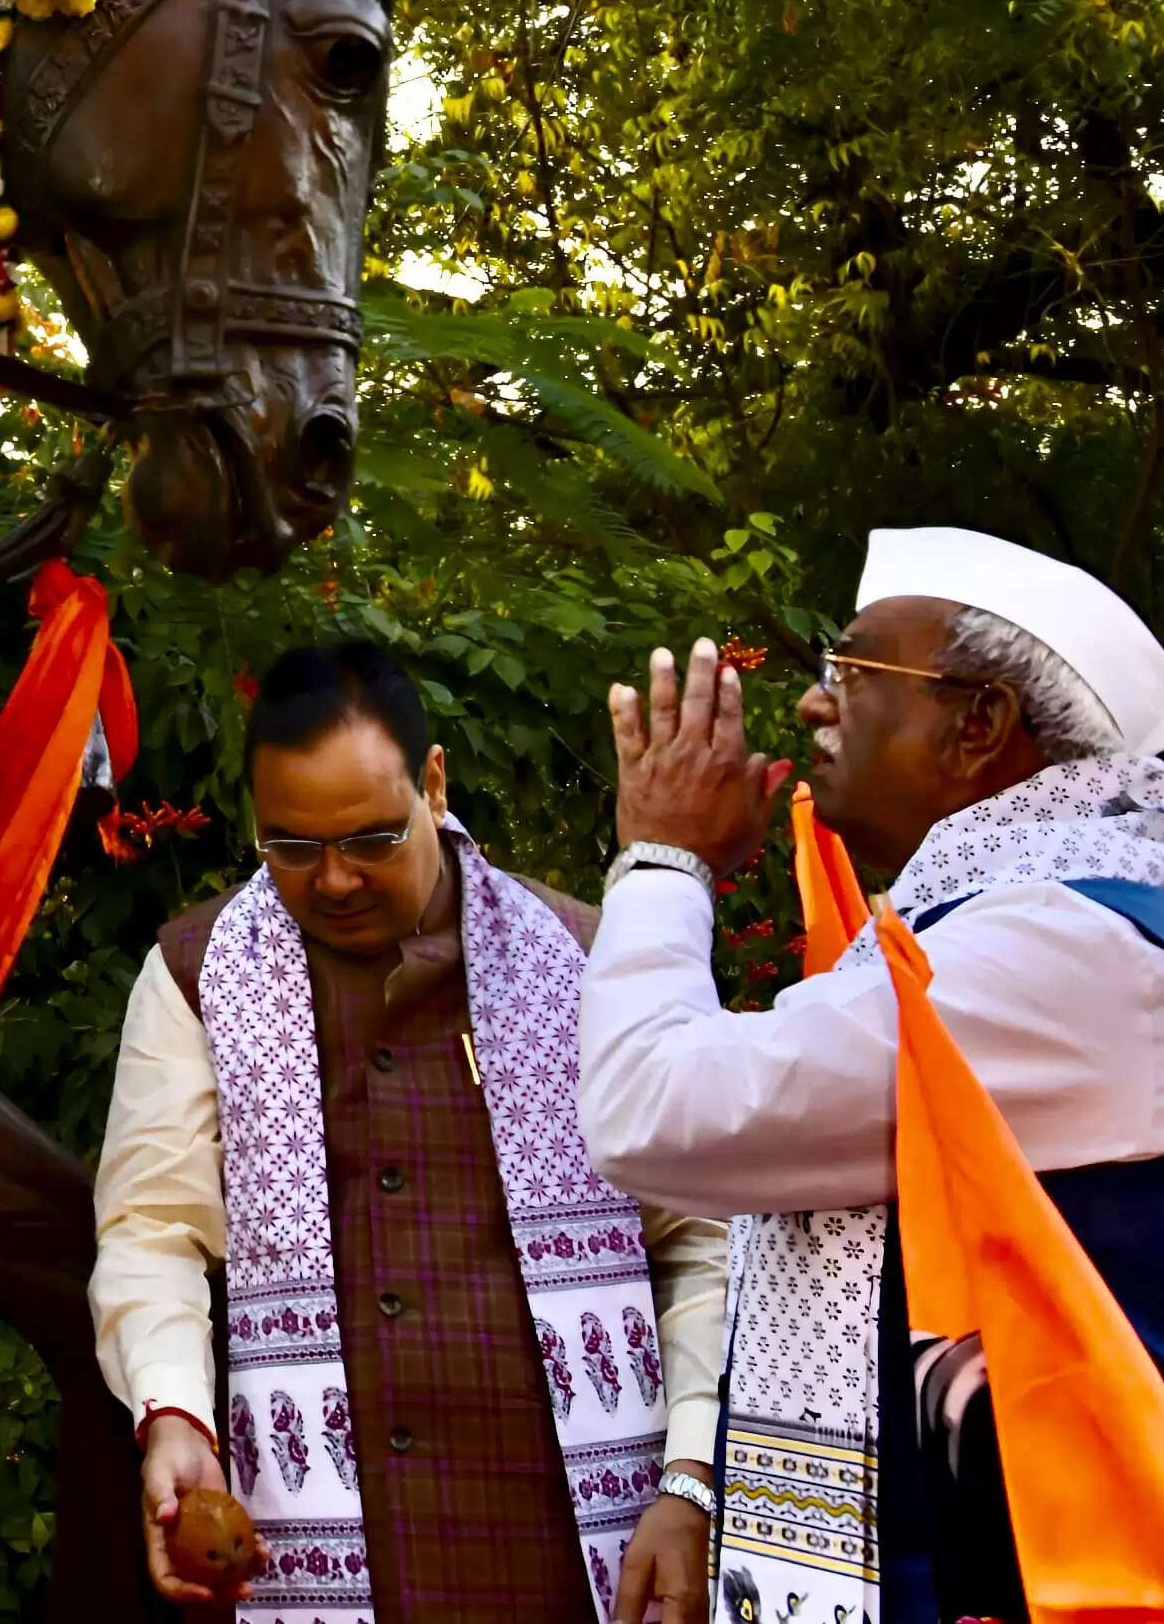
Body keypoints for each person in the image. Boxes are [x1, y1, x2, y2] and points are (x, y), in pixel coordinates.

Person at [582, 528, 1164, 1623]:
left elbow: (655, 1110)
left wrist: (663, 857)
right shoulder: (1018, 933)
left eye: (850, 671)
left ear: (978, 722)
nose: (812, 704)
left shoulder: (1066, 950)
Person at [92, 642, 728, 1620]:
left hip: (573, 1551)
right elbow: (152, 1229)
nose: (335, 879)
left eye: (370, 839)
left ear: (434, 783)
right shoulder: (195, 975)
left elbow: (701, 1237)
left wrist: (689, 1473)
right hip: (333, 1547)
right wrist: (172, 1411)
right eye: (291, 846)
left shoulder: (589, 958)